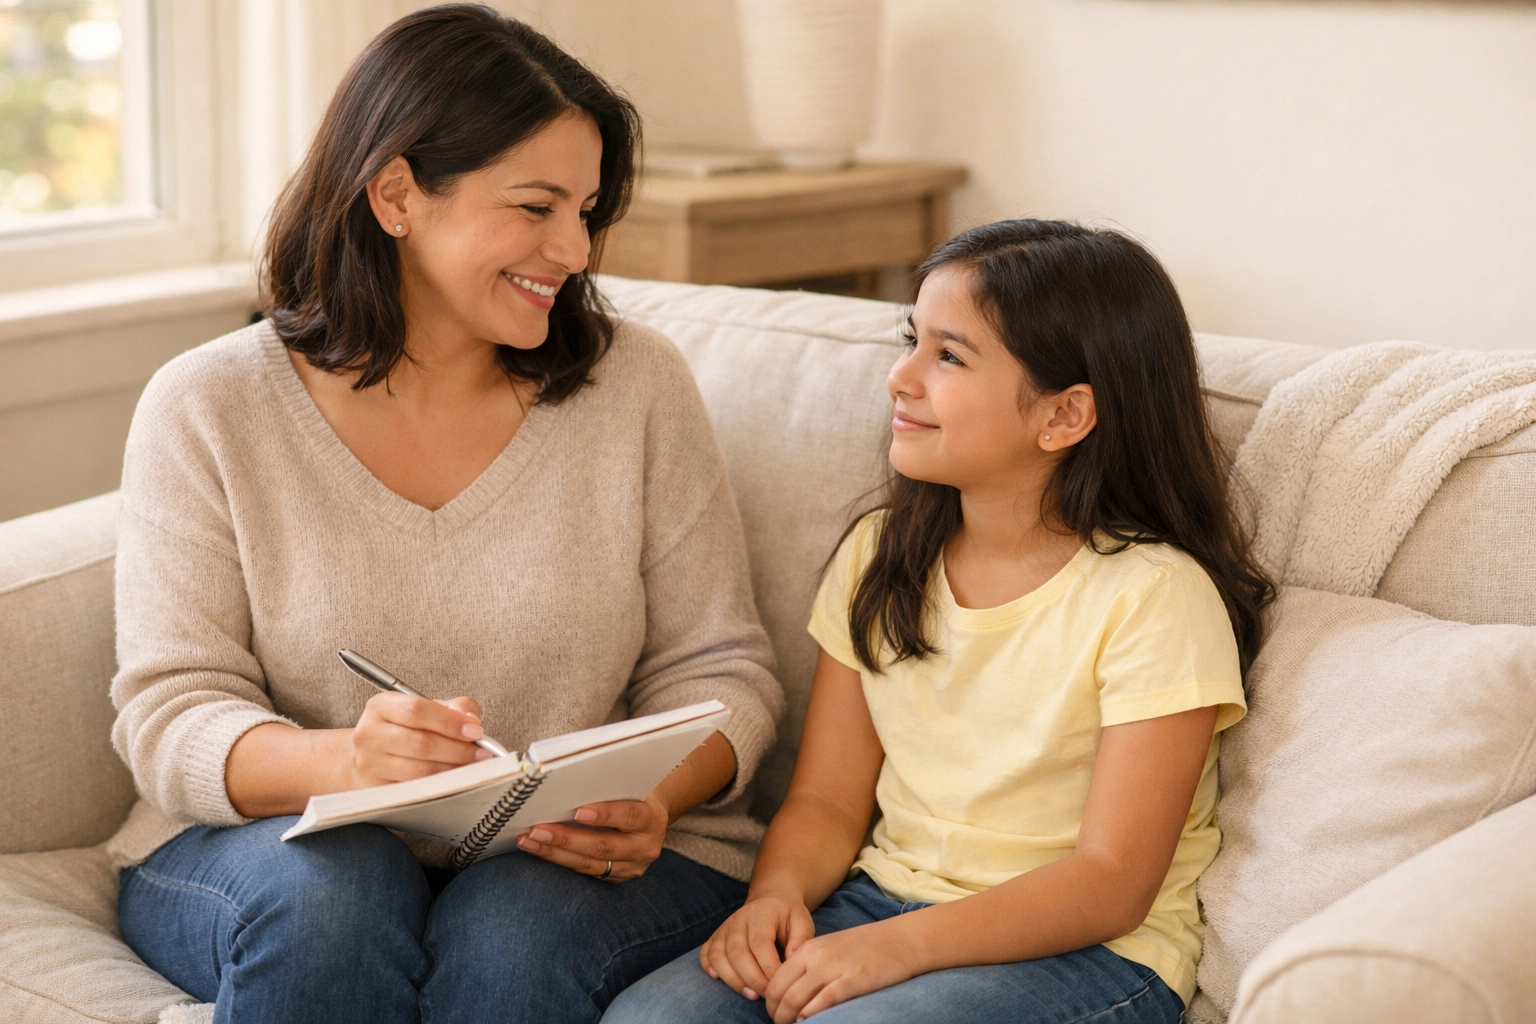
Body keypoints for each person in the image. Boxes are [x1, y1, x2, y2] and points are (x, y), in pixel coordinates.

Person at [109, 7, 782, 1023]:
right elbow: (171, 708)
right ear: (396, 196)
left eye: (587, 211)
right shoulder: (208, 404)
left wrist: (658, 796)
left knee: (509, 940)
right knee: (337, 897)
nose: (575, 249)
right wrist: (346, 765)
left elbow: (722, 667)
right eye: (536, 206)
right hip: (274, 848)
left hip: (559, 861)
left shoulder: (637, 387)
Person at [602, 219, 1277, 1024]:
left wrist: (895, 950)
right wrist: (773, 899)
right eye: (910, 338)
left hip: (1090, 953)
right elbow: (824, 800)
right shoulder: (878, 558)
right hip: (877, 903)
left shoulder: (1155, 598)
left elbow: (1111, 880)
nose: (899, 376)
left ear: (1064, 417)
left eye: (948, 356)